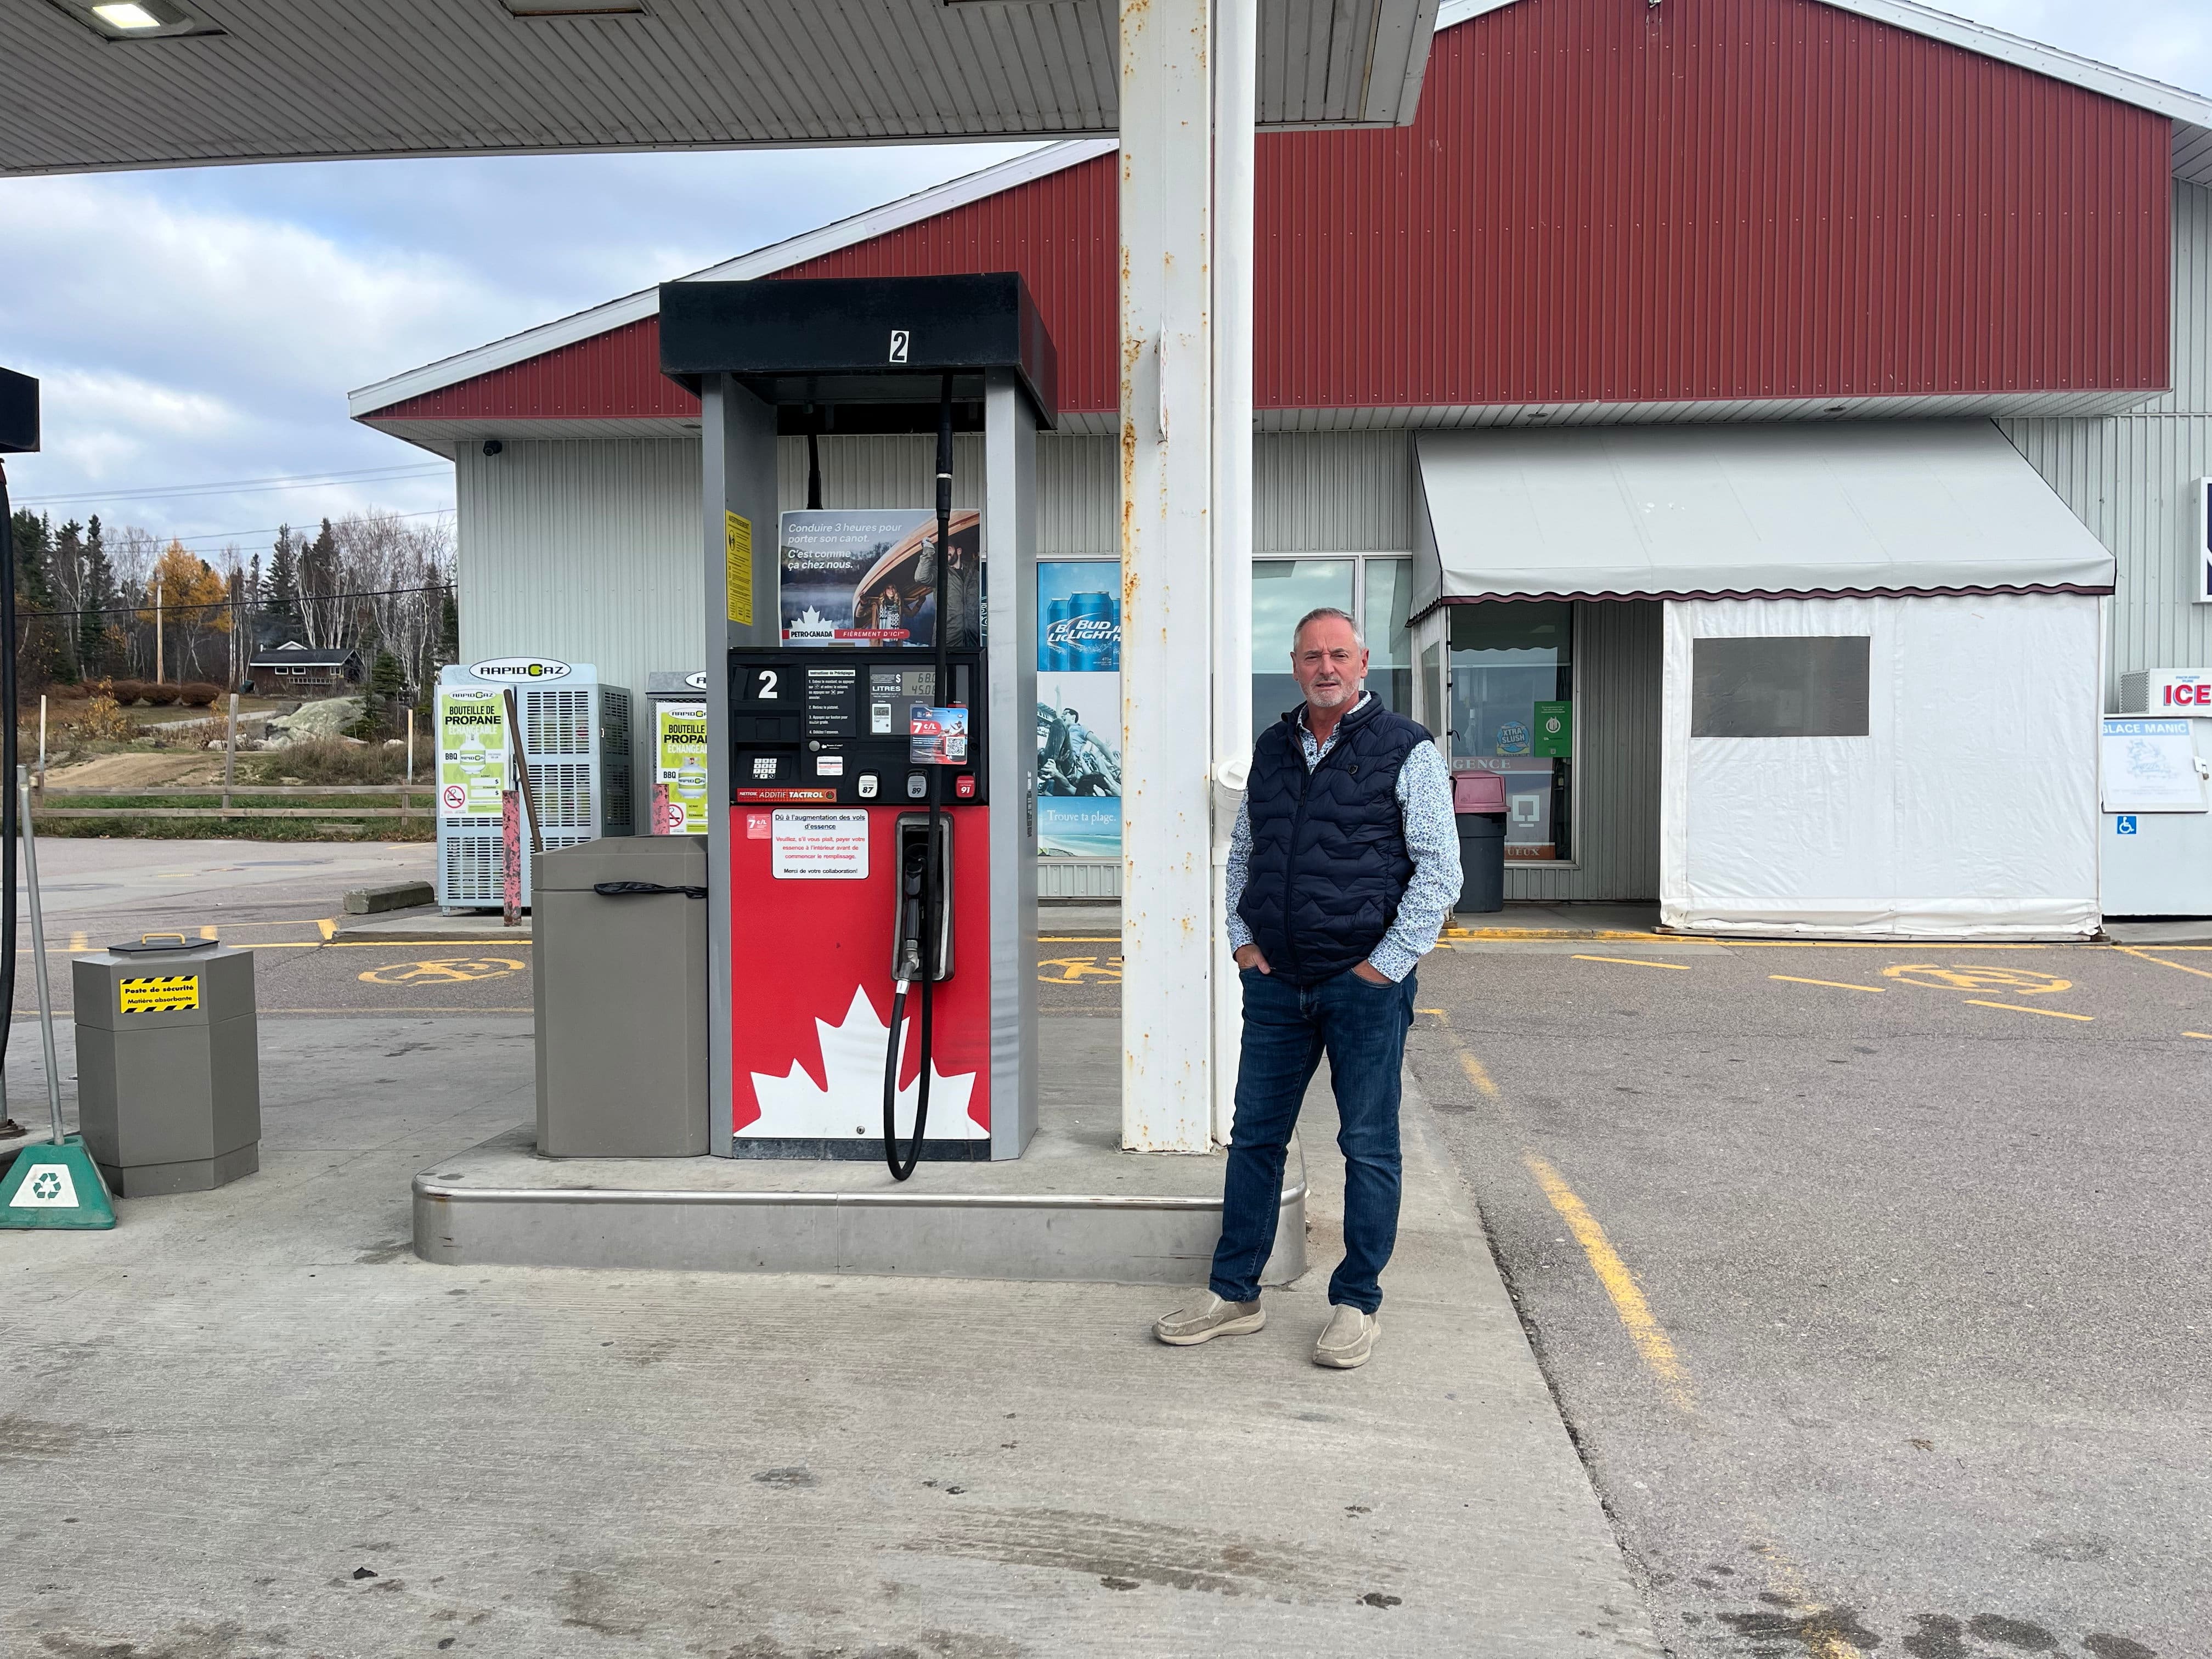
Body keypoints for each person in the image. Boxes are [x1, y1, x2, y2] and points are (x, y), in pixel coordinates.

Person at [1154, 607, 1460, 1370]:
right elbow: (1244, 854)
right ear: (1294, 666)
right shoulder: (1273, 748)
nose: (1326, 667)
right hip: (1276, 983)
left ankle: (1357, 1302)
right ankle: (1236, 1294)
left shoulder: (1407, 750)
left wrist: (1383, 966)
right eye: (1311, 656)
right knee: (1255, 1139)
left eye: (1340, 655)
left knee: (1367, 1144)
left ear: (1363, 665)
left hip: (1363, 987)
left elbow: (1441, 871)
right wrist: (1242, 941)